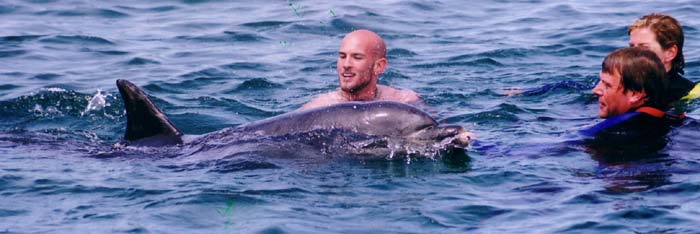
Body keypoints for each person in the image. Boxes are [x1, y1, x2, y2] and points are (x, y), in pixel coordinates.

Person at [581, 47, 675, 159]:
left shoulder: (611, 131)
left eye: (607, 85)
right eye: (600, 81)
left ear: (635, 94)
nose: (596, 90)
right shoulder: (673, 119)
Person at [299, 29, 421, 110]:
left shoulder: (404, 100)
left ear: (379, 66)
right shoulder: (318, 108)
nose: (346, 64)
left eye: (357, 57)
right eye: (342, 56)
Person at [628, 13, 697, 104]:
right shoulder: (625, 83)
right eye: (631, 47)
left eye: (644, 48)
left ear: (670, 53)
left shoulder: (681, 93)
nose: (633, 53)